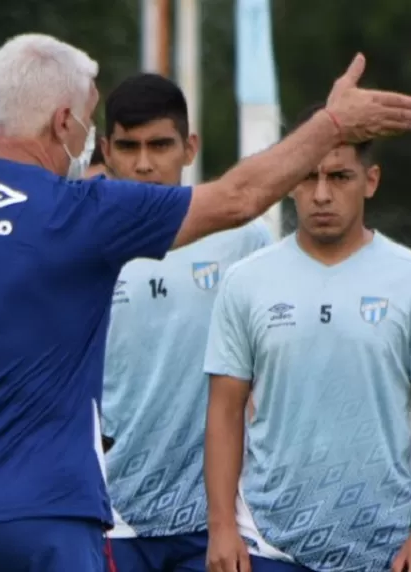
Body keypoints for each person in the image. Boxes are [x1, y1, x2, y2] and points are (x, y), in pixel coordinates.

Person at [0, 32, 411, 572]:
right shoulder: (78, 211)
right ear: (63, 122)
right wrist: (331, 124)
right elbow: (238, 197)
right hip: (45, 515)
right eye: (89, 121)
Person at [202, 103, 411, 572]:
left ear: (371, 180)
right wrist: (222, 527)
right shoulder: (246, 281)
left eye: (340, 177)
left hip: (386, 547)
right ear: (289, 181)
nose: (321, 194)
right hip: (267, 545)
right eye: (308, 176)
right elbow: (224, 410)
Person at [98, 73, 272, 571]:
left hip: (215, 521)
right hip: (110, 514)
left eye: (160, 145)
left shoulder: (243, 240)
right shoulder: (84, 241)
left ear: (189, 147)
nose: (144, 163)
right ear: (106, 151)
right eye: (128, 146)